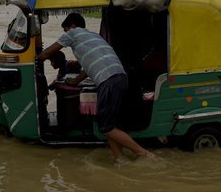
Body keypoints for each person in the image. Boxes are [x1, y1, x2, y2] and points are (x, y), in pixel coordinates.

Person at [38, 13, 156, 161]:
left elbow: (47, 53)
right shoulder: (95, 37)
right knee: (110, 126)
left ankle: (144, 153)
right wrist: (75, 81)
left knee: (105, 127)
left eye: (65, 30)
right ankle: (119, 159)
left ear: (72, 26)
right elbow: (89, 66)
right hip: (120, 76)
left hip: (108, 80)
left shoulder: (73, 33)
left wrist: (37, 55)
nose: (65, 33)